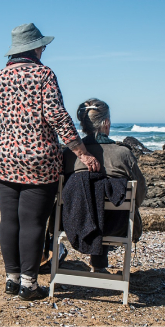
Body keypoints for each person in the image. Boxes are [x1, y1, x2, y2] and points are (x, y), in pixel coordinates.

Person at [0, 23, 100, 301]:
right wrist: (81, 152)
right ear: (33, 48)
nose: (43, 49)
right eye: (41, 45)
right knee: (32, 222)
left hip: (3, 157)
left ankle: (11, 280)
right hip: (38, 159)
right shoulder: (44, 74)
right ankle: (29, 285)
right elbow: (57, 115)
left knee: (9, 220)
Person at [63, 98, 147, 272]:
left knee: (90, 200)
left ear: (83, 124)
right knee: (107, 206)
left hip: (72, 223)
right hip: (116, 226)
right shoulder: (123, 154)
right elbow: (140, 193)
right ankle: (99, 265)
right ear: (106, 122)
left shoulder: (69, 154)